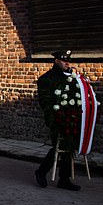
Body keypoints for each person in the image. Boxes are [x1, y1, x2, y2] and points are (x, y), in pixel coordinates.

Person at [35, 50, 81, 191]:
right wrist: (54, 118)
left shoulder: (72, 77)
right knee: (58, 147)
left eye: (68, 60)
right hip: (57, 118)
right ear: (56, 61)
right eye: (63, 60)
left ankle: (64, 179)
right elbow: (45, 102)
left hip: (72, 117)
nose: (67, 63)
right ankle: (41, 172)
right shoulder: (47, 79)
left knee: (70, 146)